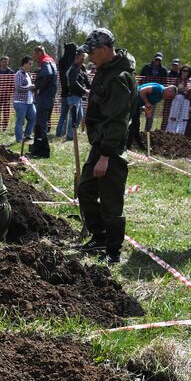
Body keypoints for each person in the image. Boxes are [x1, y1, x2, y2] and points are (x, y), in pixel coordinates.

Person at [75, 29, 136, 264]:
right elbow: (102, 105)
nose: (90, 57)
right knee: (85, 190)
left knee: (111, 200)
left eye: (92, 52)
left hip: (111, 150)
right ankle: (99, 236)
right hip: (100, 146)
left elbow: (118, 120)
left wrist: (107, 156)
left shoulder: (118, 77)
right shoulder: (105, 71)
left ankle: (113, 251)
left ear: (104, 48)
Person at [29, 44, 58, 157]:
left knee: (41, 123)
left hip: (45, 98)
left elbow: (49, 75)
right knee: (40, 123)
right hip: (48, 98)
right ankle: (37, 148)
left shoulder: (46, 62)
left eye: (35, 55)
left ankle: (43, 151)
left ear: (39, 52)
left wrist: (40, 89)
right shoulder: (50, 61)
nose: (35, 58)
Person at [61, 50, 89, 141]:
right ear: (76, 59)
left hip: (78, 97)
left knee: (79, 116)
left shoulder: (80, 69)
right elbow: (74, 82)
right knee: (73, 117)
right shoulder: (73, 69)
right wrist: (84, 90)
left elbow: (86, 81)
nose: (83, 61)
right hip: (73, 96)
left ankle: (73, 133)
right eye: (82, 59)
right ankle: (70, 136)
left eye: (84, 59)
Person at [54, 42, 77, 139]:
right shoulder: (73, 62)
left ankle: (59, 133)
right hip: (71, 93)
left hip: (64, 92)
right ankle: (69, 135)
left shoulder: (61, 61)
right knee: (72, 116)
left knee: (63, 116)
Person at [12, 55, 36, 144]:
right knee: (20, 121)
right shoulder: (19, 74)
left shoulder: (28, 74)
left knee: (33, 117)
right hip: (20, 102)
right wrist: (30, 87)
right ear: (24, 64)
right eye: (29, 64)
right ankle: (19, 139)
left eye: (31, 64)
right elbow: (18, 87)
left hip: (29, 102)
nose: (31, 66)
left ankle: (27, 135)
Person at [167, 65, 191, 134]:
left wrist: (187, 90)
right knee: (173, 115)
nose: (185, 72)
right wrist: (180, 89)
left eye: (187, 71)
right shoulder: (177, 80)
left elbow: (190, 92)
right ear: (181, 71)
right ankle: (170, 131)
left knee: (184, 117)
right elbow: (173, 90)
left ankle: (180, 133)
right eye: (184, 70)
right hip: (177, 99)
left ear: (189, 72)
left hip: (186, 100)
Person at [0, 55, 14, 133]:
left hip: (6, 96)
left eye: (6, 61)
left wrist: (10, 92)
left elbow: (12, 84)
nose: (5, 63)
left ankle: (4, 128)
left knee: (6, 112)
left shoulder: (11, 72)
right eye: (3, 61)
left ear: (8, 62)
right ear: (0, 62)